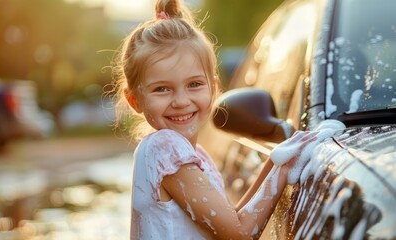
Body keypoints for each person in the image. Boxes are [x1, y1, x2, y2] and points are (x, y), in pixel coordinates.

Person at [110, 0, 317, 239]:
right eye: (162, 89)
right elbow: (240, 234)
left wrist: (279, 158)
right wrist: (287, 168)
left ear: (213, 89)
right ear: (134, 100)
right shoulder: (165, 148)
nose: (181, 100)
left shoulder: (198, 157)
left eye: (194, 84)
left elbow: (231, 219)